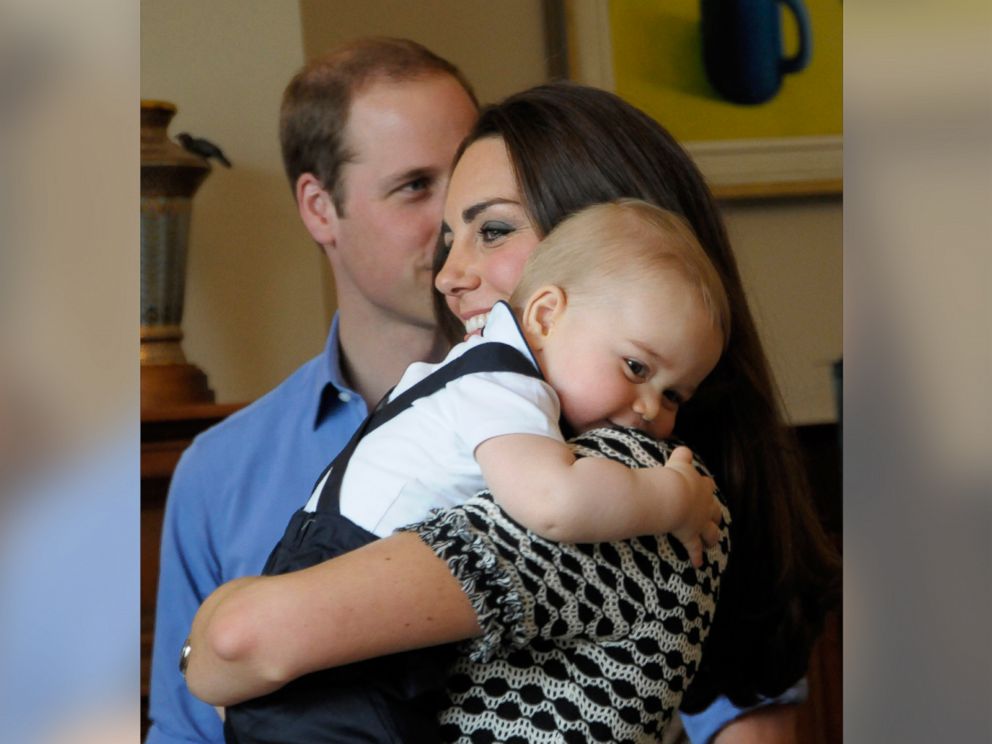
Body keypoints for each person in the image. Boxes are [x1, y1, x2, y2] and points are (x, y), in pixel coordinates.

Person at [184, 83, 839, 743]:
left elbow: (242, 640)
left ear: (607, 241)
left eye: (492, 229)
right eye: (449, 234)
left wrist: (213, 638)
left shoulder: (623, 481)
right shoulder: (531, 425)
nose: (447, 274)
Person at [218, 199, 730, 742]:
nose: (650, 408)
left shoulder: (476, 372)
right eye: (636, 367)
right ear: (546, 315)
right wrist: (672, 499)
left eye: (673, 393)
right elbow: (557, 502)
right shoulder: (503, 385)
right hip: (344, 626)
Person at [144, 37, 479, 744]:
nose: (458, 221)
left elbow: (727, 703)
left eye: (471, 176)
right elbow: (185, 733)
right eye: (416, 186)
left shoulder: (577, 410)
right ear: (320, 209)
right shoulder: (219, 473)